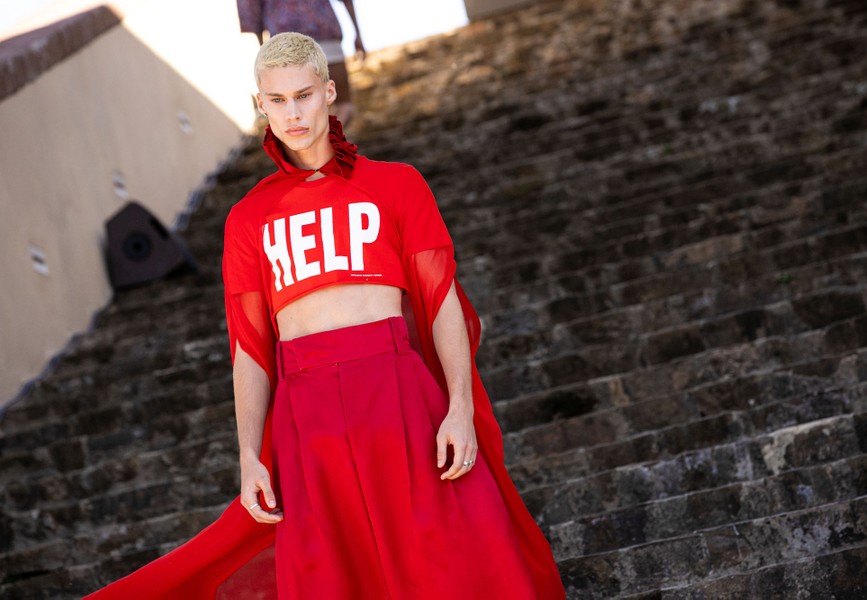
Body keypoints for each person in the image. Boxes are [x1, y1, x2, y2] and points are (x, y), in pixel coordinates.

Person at [87, 33, 564, 599]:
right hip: (305, 413)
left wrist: (459, 406)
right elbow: (249, 348)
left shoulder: (397, 184)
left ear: (329, 92)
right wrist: (247, 457)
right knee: (335, 577)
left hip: (398, 390)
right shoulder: (246, 219)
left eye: (304, 95)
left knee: (449, 559)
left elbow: (441, 303)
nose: (293, 112)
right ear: (260, 105)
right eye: (278, 100)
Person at [237, 0, 365, 127]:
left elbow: (250, 14)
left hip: (288, 42)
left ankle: (321, 142)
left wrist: (267, 56)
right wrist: (357, 34)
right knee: (344, 107)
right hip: (319, 34)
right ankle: (324, 142)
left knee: (306, 112)